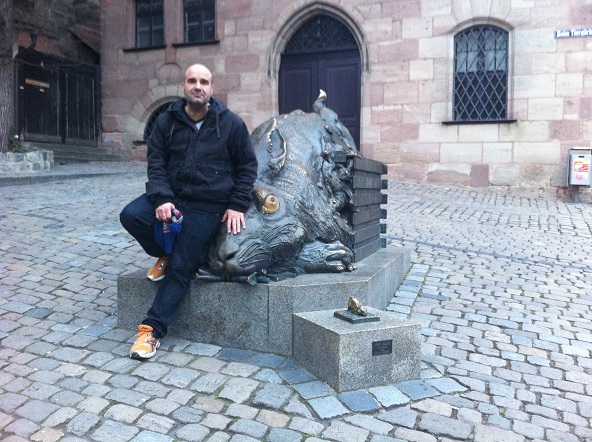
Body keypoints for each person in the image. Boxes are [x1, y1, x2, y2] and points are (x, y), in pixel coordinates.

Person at [120, 64, 258, 360]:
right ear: (183, 86)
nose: (198, 86)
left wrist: (237, 204)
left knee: (181, 266)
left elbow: (247, 166)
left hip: (207, 206)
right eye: (192, 81)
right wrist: (162, 198)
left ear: (212, 89)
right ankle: (165, 251)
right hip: (172, 197)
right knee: (131, 215)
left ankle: (151, 330)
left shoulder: (231, 124)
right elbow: (156, 164)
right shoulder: (166, 121)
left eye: (204, 82)